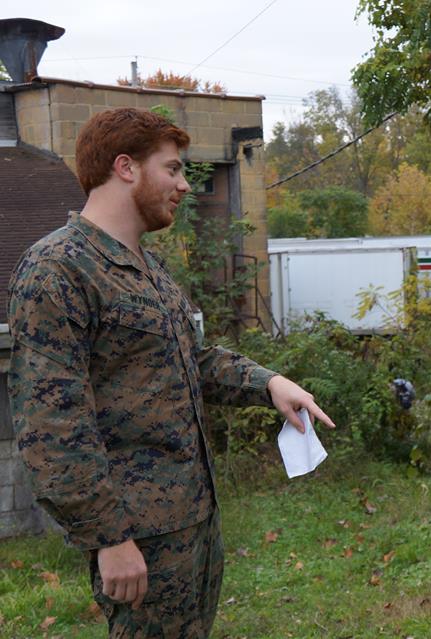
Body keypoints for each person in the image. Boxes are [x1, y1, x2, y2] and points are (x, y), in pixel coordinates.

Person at [6, 107, 336, 638]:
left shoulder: (146, 266)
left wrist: (268, 383)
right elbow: (53, 424)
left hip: (192, 519)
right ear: (126, 168)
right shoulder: (59, 269)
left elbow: (192, 358)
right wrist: (107, 538)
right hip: (137, 534)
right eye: (174, 169)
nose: (185, 185)